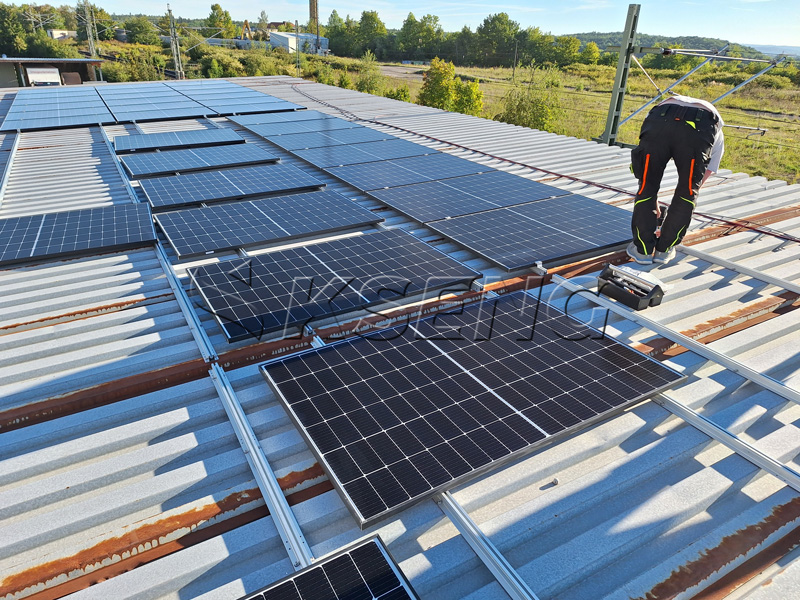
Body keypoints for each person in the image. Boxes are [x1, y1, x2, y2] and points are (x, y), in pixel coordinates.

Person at [627, 93, 725, 266]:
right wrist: (675, 211)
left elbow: (646, 181)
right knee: (687, 192)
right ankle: (664, 250)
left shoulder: (669, 104)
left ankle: (643, 251)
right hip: (701, 127)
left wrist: (653, 202)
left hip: (660, 117)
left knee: (646, 187)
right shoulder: (718, 132)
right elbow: (699, 182)